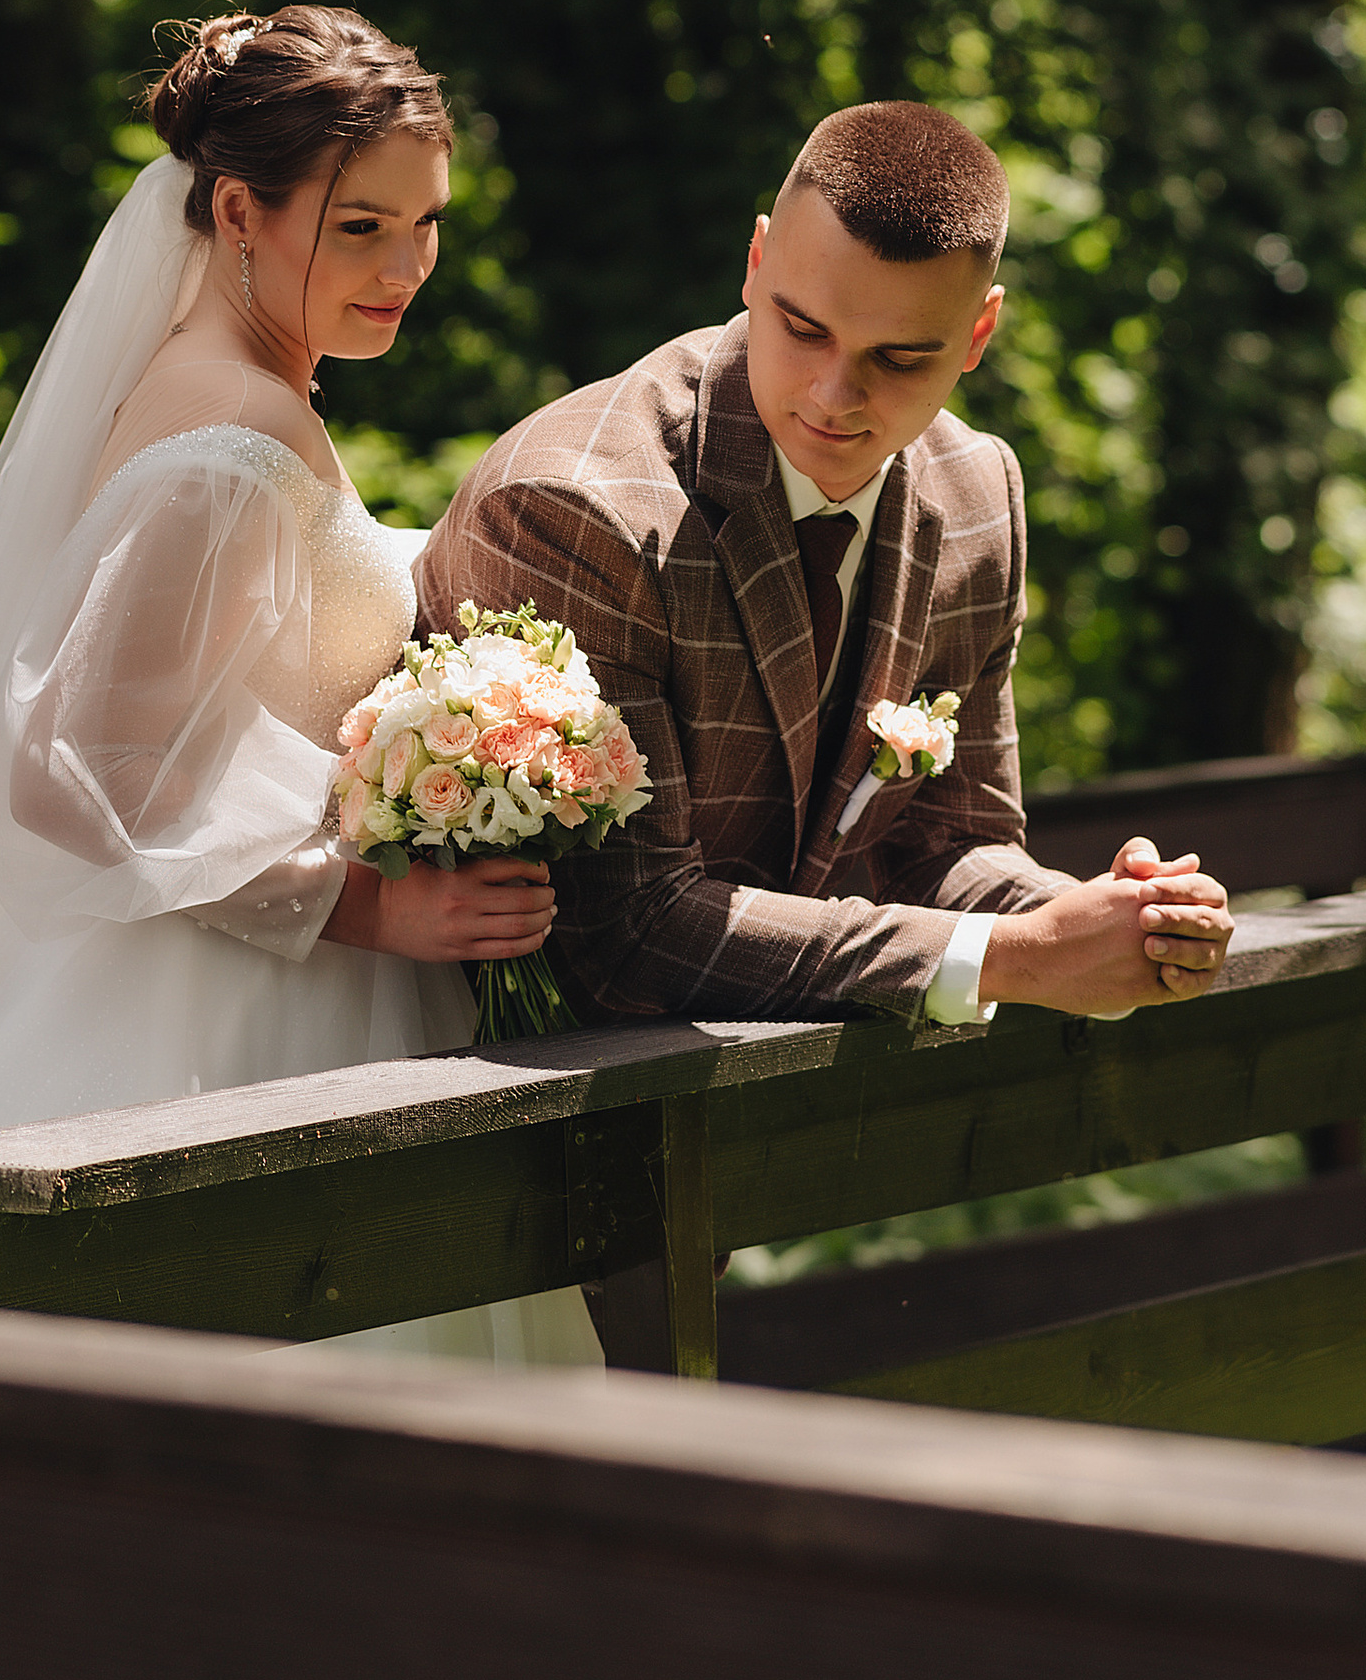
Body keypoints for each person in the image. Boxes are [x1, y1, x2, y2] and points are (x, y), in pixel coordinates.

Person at [0, 3, 596, 1368]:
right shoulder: (231, 440)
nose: (405, 268)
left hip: (258, 981)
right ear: (240, 211)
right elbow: (72, 772)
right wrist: (369, 906)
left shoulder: (222, 388)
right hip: (223, 1025)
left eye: (425, 223)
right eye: (361, 226)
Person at [417, 100, 1235, 1026]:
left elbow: (949, 844)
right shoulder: (577, 509)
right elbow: (627, 931)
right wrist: (1013, 957)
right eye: (804, 329)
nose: (835, 394)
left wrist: (1113, 921)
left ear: (978, 333)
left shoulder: (979, 493)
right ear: (756, 261)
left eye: (900, 357)